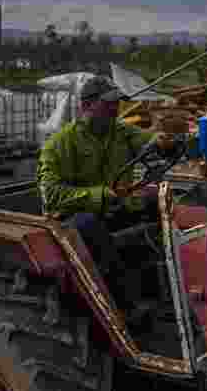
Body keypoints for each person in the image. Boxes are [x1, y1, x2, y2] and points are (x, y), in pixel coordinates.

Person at [37, 75, 178, 300]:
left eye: (116, 103)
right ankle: (122, 299)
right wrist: (102, 195)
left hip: (113, 209)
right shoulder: (59, 144)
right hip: (72, 219)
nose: (115, 109)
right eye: (108, 104)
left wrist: (164, 143)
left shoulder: (120, 131)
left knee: (162, 204)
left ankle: (166, 282)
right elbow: (51, 195)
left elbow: (148, 142)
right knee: (89, 224)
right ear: (86, 106)